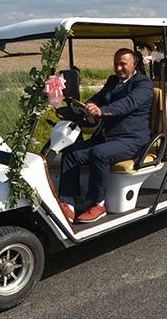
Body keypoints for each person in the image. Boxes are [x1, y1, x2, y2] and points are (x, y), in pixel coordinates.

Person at [58, 48, 153, 224]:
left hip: (131, 140)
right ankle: (68, 203)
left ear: (134, 64)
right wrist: (80, 108)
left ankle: (98, 204)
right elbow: (98, 98)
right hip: (106, 137)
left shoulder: (143, 84)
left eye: (123, 64)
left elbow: (127, 104)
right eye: (116, 64)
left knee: (99, 153)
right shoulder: (113, 81)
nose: (118, 68)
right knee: (71, 152)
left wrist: (102, 111)